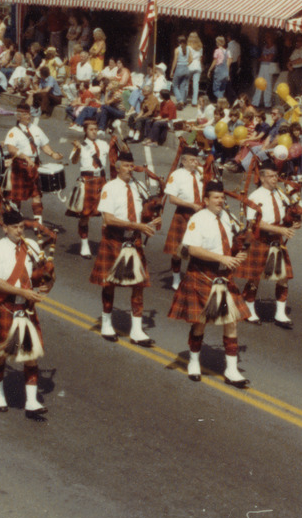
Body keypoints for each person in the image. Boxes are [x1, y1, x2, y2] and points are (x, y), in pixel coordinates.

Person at [168, 180, 251, 386]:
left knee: (231, 323)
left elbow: (229, 244)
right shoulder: (198, 219)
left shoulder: (226, 217)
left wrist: (237, 254)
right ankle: (194, 362)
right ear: (206, 200)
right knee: (200, 323)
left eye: (222, 197)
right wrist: (221, 258)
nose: (220, 201)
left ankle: (231, 371)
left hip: (223, 278)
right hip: (203, 275)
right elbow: (193, 249)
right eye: (216, 197)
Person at [0, 210, 50, 417]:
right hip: (5, 307)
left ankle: (32, 401)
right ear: (4, 228)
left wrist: (44, 285)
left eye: (21, 226)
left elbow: (42, 273)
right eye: (14, 227)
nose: (19, 231)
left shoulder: (32, 246)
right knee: (0, 356)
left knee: (31, 356)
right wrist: (23, 292)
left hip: (25, 309)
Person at [90, 151, 160, 345]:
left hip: (134, 242)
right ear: (118, 167)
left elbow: (142, 214)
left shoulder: (138, 187)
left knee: (138, 286)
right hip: (114, 240)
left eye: (132, 165)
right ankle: (106, 323)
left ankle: (136, 331)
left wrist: (151, 221)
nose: (131, 169)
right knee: (109, 284)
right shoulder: (109, 188)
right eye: (127, 166)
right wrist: (137, 226)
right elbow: (108, 219)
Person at [239, 160, 298, 326]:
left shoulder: (280, 194)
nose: (275, 179)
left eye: (276, 175)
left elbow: (285, 216)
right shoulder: (255, 197)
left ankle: (280, 314)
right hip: (261, 240)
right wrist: (280, 231)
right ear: (262, 177)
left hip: (276, 242)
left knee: (283, 277)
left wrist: (292, 224)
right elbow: (254, 223)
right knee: (254, 278)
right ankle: (249, 310)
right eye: (271, 176)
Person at [4, 101, 63, 222]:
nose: (28, 116)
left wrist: (53, 154)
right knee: (17, 197)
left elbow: (44, 145)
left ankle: (38, 223)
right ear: (18, 116)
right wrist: (25, 157)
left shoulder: (36, 129)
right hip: (20, 166)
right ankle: (16, 219)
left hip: (34, 165)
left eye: (28, 114)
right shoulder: (13, 132)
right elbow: (11, 149)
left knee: (36, 195)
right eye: (25, 114)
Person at [163, 147, 205, 290]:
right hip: (184, 213)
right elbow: (172, 199)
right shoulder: (177, 175)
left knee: (197, 248)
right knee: (177, 251)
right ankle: (176, 278)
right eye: (192, 160)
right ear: (184, 161)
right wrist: (191, 205)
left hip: (200, 215)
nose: (195, 163)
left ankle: (193, 278)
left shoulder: (200, 174)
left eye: (196, 160)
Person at [67, 121, 110, 258]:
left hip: (102, 180)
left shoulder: (104, 144)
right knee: (85, 215)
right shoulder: (80, 144)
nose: (94, 131)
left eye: (96, 129)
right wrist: (78, 149)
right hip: (87, 180)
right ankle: (84, 244)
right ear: (85, 130)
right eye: (91, 129)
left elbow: (115, 157)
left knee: (107, 213)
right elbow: (73, 161)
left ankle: (106, 244)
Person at [253, 32, 280, 109]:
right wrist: (265, 57)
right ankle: (255, 102)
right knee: (259, 82)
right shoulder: (265, 47)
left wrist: (265, 57)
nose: (267, 39)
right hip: (262, 66)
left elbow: (270, 58)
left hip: (269, 67)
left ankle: (267, 104)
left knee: (267, 84)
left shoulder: (274, 47)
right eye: (266, 37)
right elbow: (262, 57)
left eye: (268, 37)